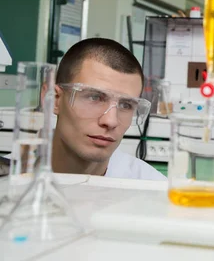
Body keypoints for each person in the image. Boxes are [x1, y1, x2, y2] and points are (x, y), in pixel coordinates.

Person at [51, 38, 165, 180]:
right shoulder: (17, 177)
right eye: (94, 97)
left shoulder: (152, 190)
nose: (111, 121)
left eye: (125, 105)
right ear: (56, 100)